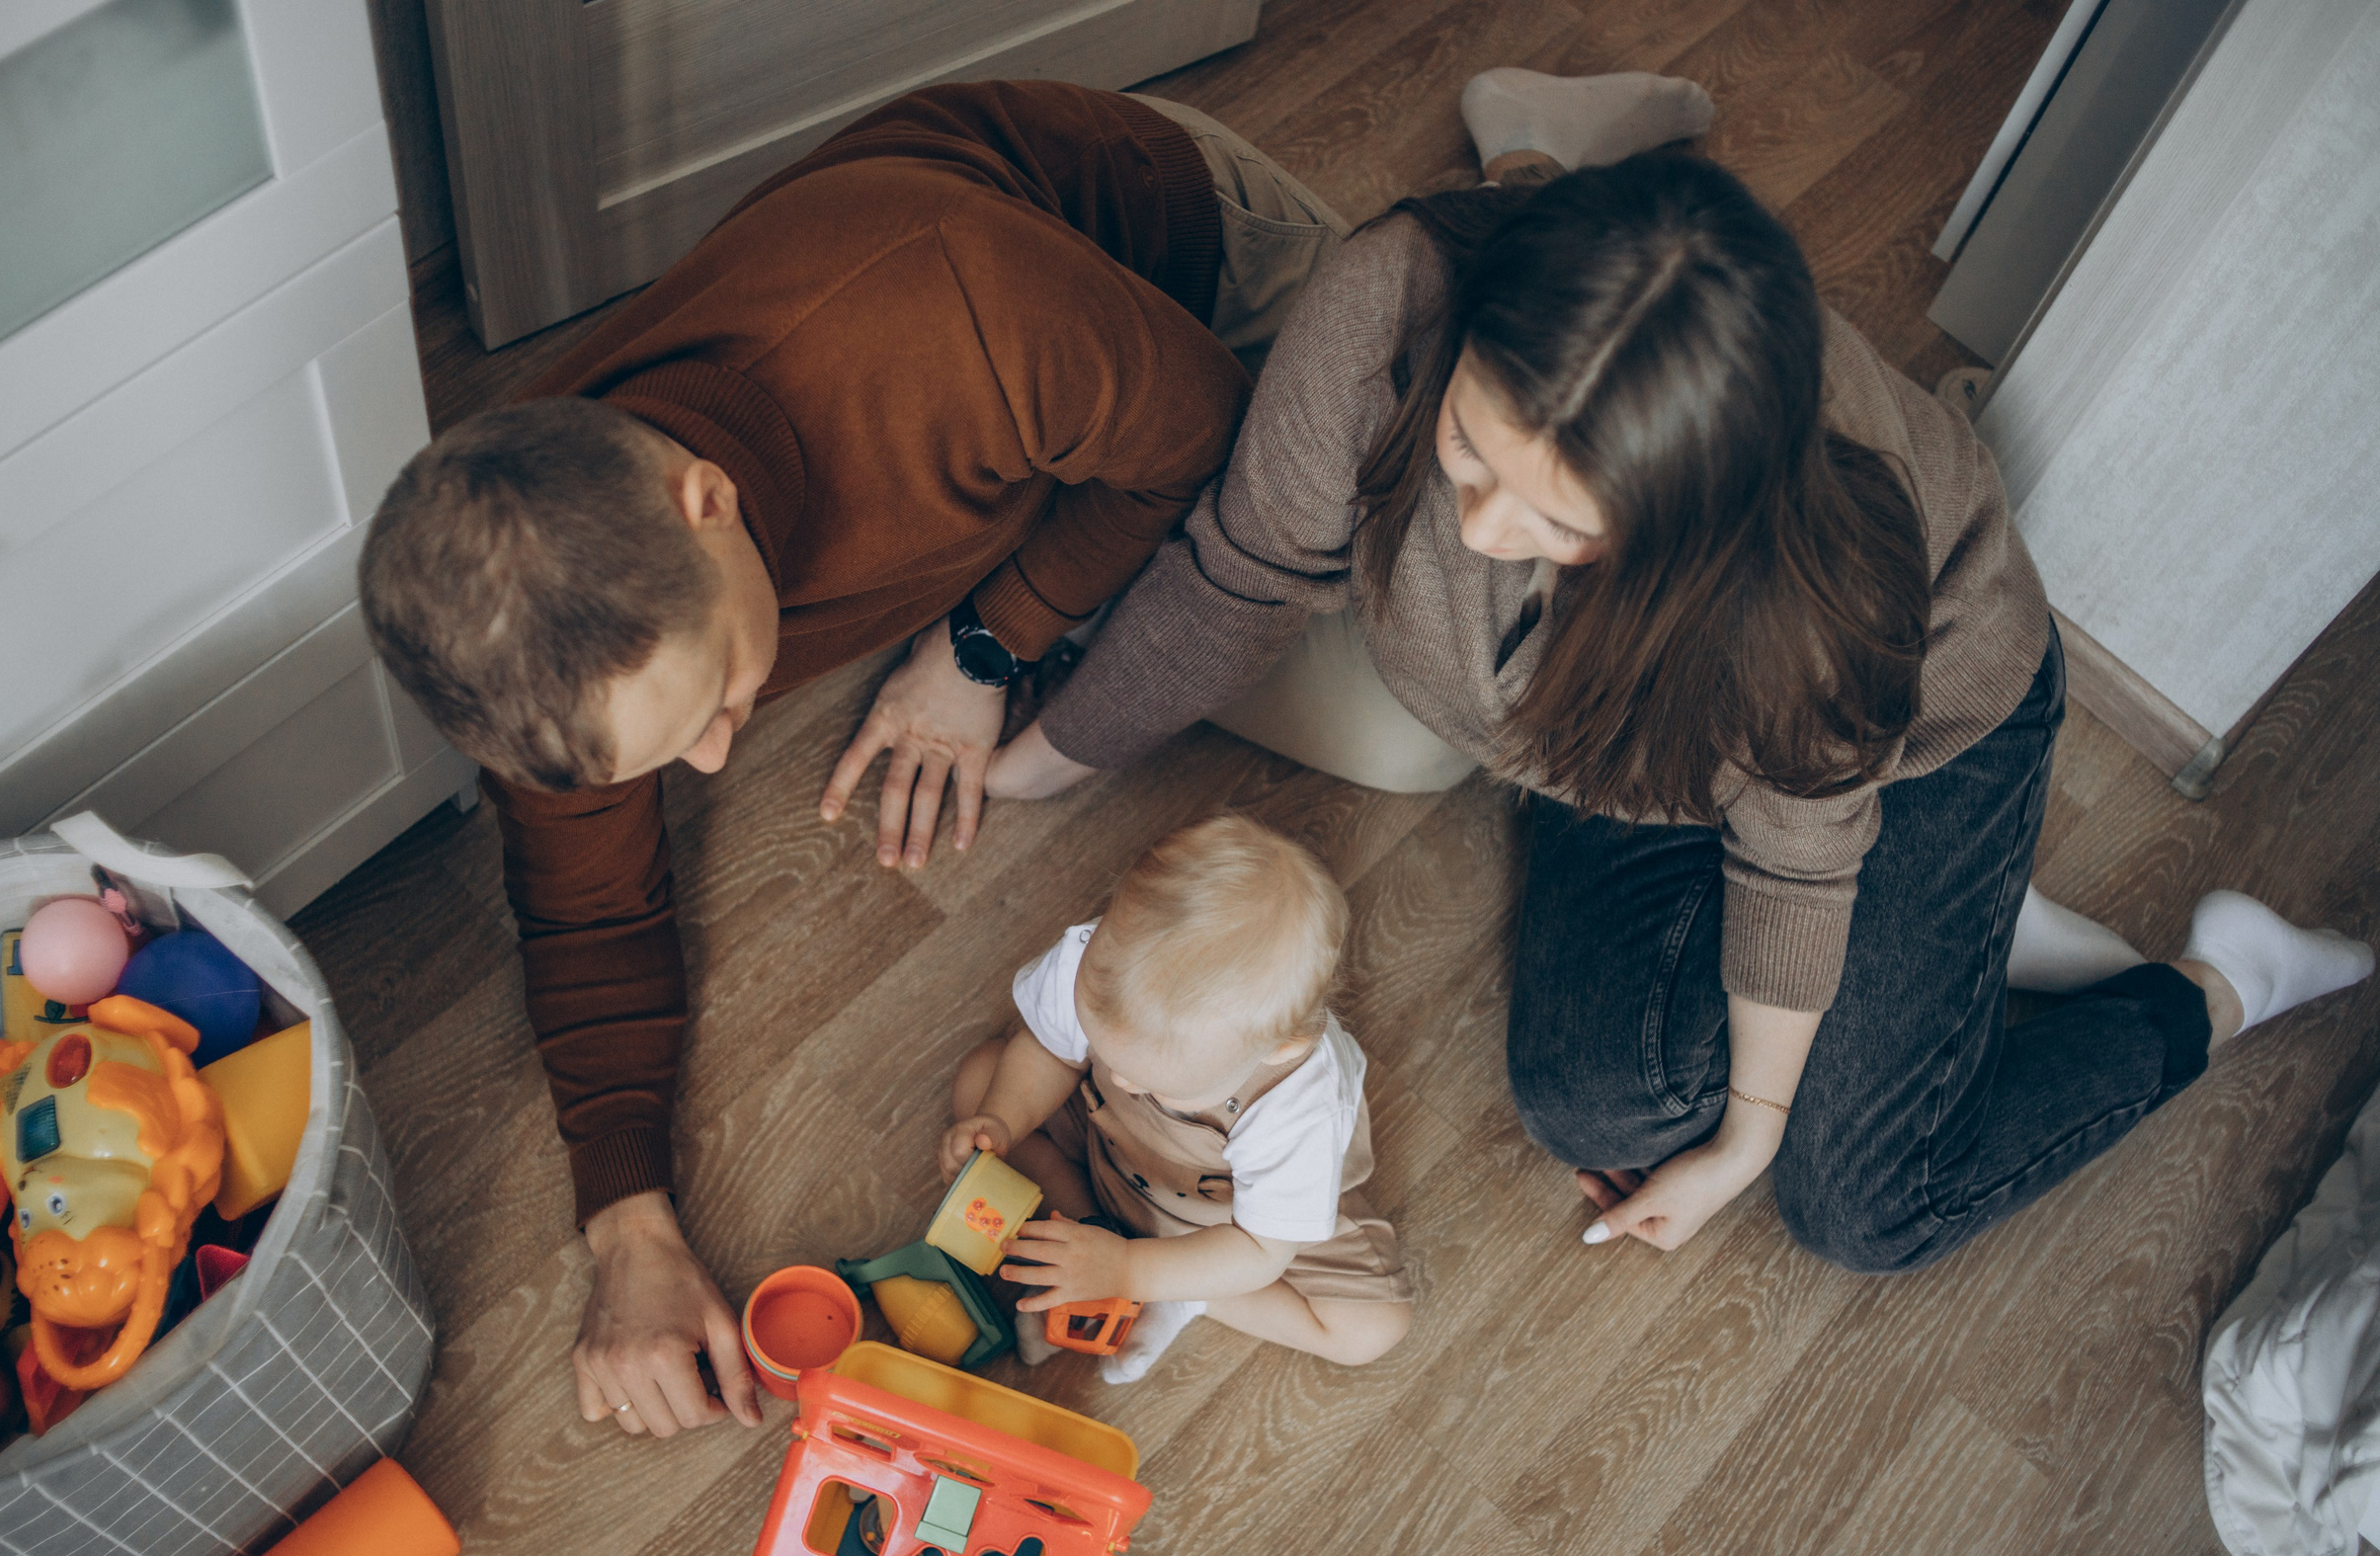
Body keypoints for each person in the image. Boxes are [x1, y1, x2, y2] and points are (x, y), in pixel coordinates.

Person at [990, 72, 2375, 1271]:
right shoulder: (1389, 301)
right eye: (1471, 455)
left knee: (1866, 1204)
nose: (1478, 533)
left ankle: (2215, 983)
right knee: (1602, 1105)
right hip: (1635, 758)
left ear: (1690, 525)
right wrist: (1042, 755)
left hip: (1919, 735)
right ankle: (1542, 148)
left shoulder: (1816, 597)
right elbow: (1244, 566)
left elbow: (1790, 863)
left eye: (1559, 523)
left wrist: (1754, 1132)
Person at [359, 81, 1352, 1438]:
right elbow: (589, 913)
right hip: (1049, 430)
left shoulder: (952, 312)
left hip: (1186, 266)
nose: (717, 761)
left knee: (1399, 722)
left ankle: (1506, 217)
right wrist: (629, 1223)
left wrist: (987, 645)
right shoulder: (534, 631)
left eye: (715, 699)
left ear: (700, 503)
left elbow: (1200, 428)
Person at [941, 814, 1410, 1383]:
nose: (1125, 1082)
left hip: (1228, 1222)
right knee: (980, 1081)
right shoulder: (1106, 965)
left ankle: (1182, 1293)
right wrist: (1004, 1117)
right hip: (1113, 1147)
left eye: (1156, 1082)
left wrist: (1131, 1272)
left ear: (1279, 1048)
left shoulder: (1299, 1110)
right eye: (1107, 1054)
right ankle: (1085, 1232)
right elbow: (1050, 1052)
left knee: (1369, 1329)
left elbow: (1261, 1249)